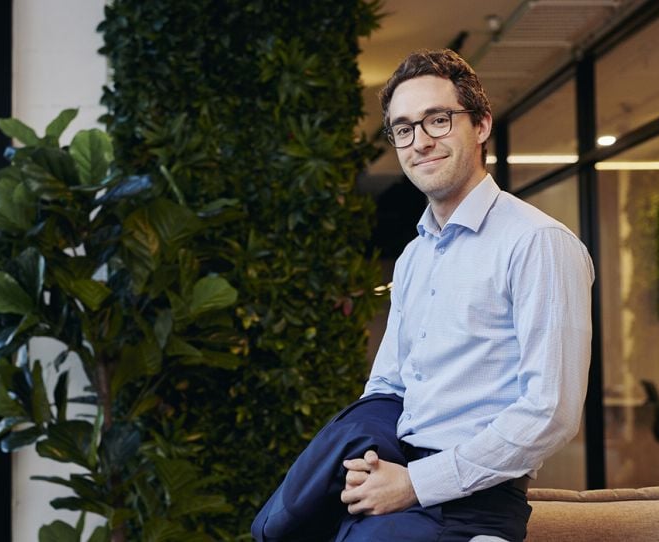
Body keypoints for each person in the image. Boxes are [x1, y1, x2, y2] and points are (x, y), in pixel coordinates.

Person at [252, 48, 593, 542]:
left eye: (438, 120)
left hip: (473, 505)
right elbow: (388, 385)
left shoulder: (538, 242)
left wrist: (416, 484)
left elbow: (550, 413)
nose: (421, 142)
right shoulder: (414, 256)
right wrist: (372, 469)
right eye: (404, 128)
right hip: (395, 479)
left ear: (480, 125)